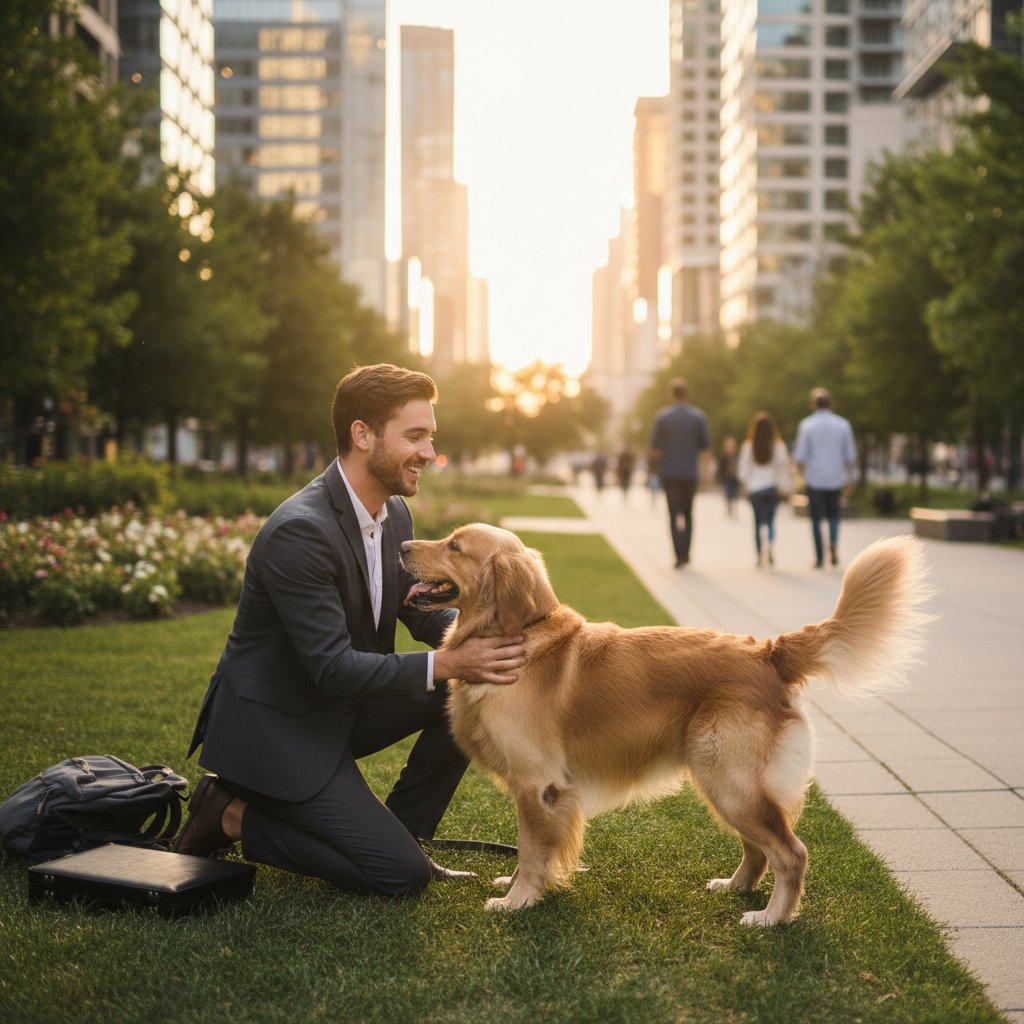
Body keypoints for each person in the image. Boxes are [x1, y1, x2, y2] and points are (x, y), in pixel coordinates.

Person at [173, 363, 527, 896]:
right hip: (277, 732)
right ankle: (229, 814)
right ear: (362, 435)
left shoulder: (394, 516)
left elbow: (416, 612)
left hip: (339, 710)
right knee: (396, 877)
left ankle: (406, 835)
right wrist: (452, 661)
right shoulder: (301, 532)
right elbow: (333, 668)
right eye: (415, 436)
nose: (429, 453)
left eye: (430, 436)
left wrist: (485, 639)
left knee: (466, 689)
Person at [649, 379, 712, 568]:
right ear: (687, 394)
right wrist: (705, 473)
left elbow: (655, 450)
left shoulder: (662, 417)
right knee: (689, 514)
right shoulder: (698, 417)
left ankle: (678, 554)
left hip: (669, 473)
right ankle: (686, 553)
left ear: (671, 394)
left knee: (673, 514)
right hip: (690, 474)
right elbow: (706, 451)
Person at [793, 387, 858, 568]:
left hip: (814, 479)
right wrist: (851, 479)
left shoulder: (806, 425)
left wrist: (800, 475)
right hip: (835, 478)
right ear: (831, 404)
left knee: (815, 518)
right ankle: (834, 545)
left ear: (814, 405)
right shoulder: (843, 424)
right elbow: (850, 456)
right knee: (834, 515)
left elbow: (800, 457)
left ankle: (820, 556)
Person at [737, 412, 794, 567]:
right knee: (770, 521)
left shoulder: (748, 447)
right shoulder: (778, 446)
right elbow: (783, 468)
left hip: (755, 490)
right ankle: (769, 547)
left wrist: (746, 486)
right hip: (771, 489)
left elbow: (743, 472)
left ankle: (758, 555)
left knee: (757, 522)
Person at [716, 436, 740, 517]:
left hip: (735, 479)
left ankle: (734, 507)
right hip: (727, 479)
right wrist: (720, 477)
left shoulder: (737, 456)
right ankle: (729, 507)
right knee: (728, 493)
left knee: (734, 494)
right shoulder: (723, 457)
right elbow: (720, 468)